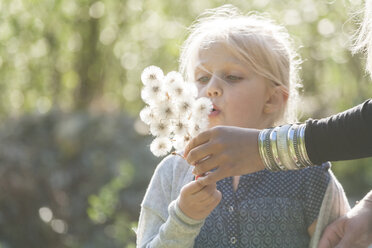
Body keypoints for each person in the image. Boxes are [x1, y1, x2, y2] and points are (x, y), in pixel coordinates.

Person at [136, 5, 350, 248]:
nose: (211, 88)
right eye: (202, 78)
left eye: (232, 77)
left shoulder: (307, 173)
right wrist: (183, 219)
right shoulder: (174, 173)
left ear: (271, 99)